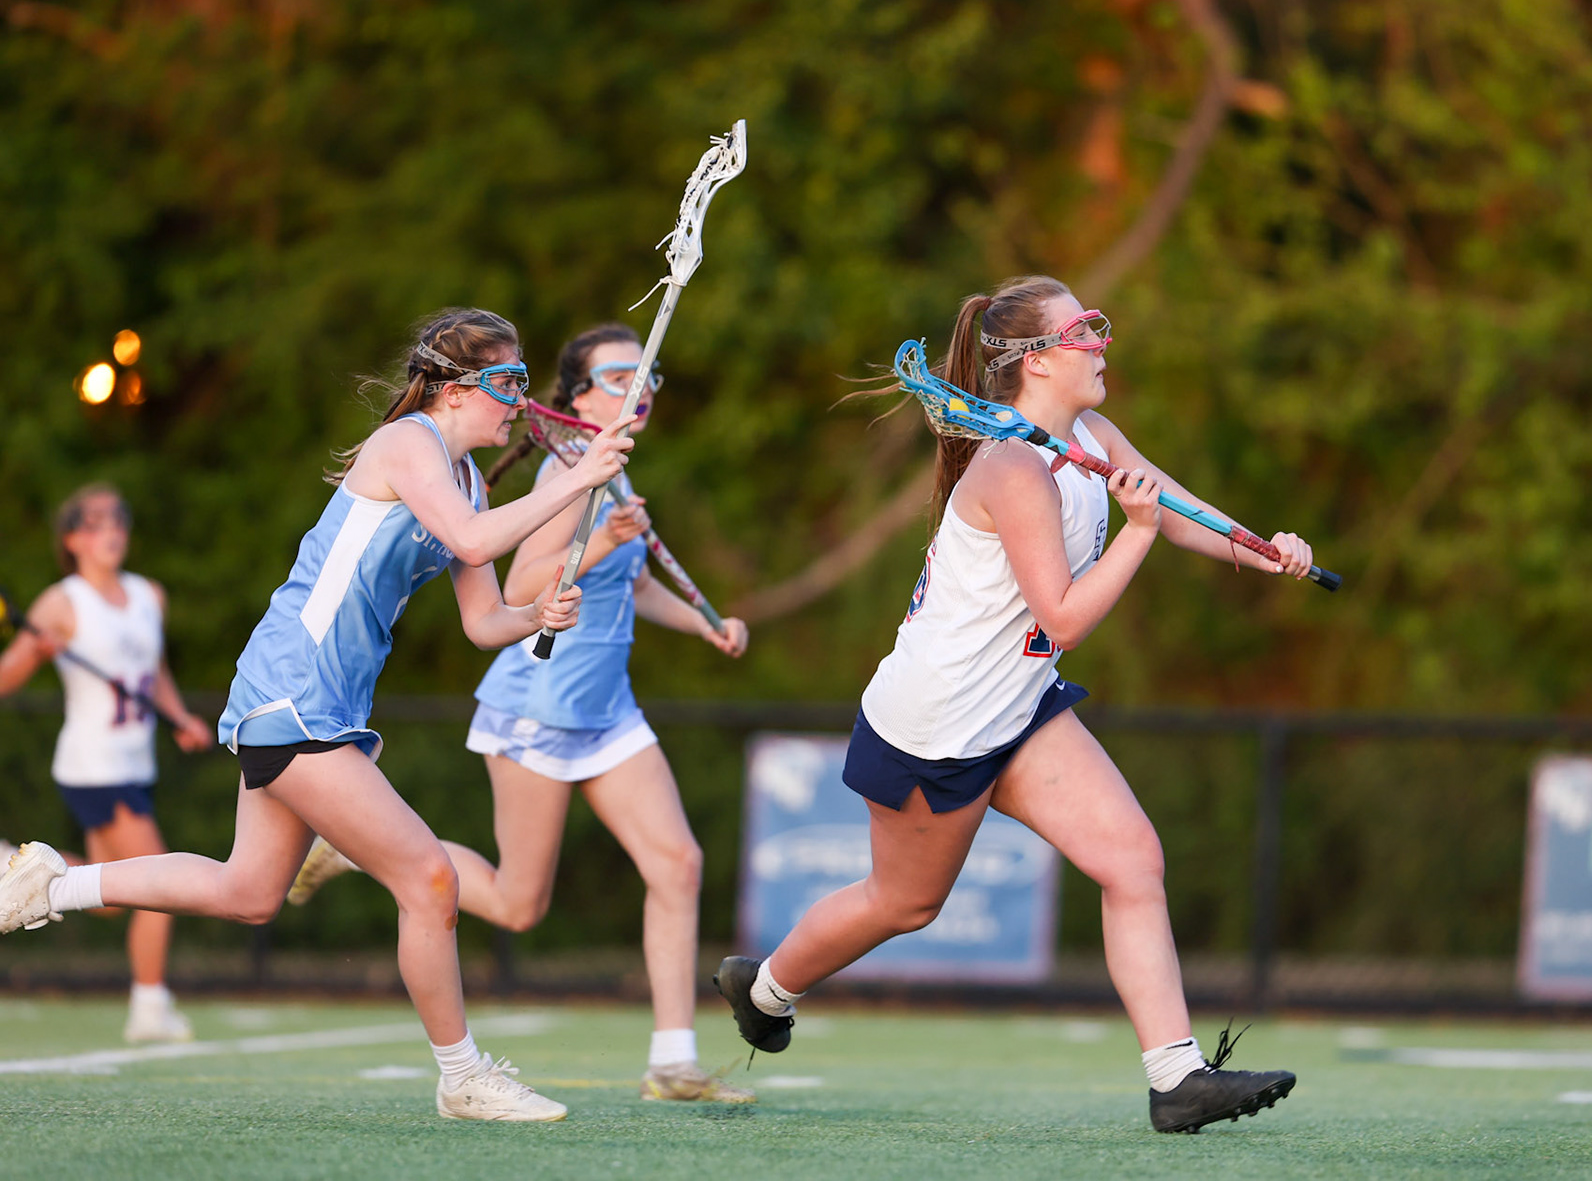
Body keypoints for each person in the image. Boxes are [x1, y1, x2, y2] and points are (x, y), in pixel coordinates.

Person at [712, 276, 1315, 1134]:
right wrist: (1134, 533)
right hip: (939, 721)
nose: (1104, 340)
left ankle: (1175, 1079)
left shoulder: (1094, 437)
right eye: (1085, 330)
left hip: (1018, 707)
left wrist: (1267, 551)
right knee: (904, 904)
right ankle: (763, 988)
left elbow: (1180, 513)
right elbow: (1065, 613)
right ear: (1035, 360)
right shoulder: (1010, 467)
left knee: (1133, 860)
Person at [0, 308, 633, 1122]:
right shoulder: (408, 444)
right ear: (451, 390)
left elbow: (482, 621)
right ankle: (462, 1074)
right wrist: (579, 481)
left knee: (249, 892)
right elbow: (474, 543)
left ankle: (56, 881)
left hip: (322, 702)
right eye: (506, 381)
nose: (519, 398)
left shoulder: (468, 480)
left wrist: (537, 615)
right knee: (429, 879)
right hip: (293, 691)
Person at [290, 323, 754, 1104]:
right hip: (538, 706)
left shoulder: (614, 476)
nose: (637, 390)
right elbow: (524, 580)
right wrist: (601, 535)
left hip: (609, 712)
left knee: (678, 864)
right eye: (616, 376)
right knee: (517, 904)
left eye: (648, 376)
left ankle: (673, 1062)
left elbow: (633, 588)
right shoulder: (562, 474)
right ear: (573, 397)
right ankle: (354, 847)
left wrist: (703, 623)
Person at [0, 484, 213, 1043]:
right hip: (93, 766)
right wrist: (34, 651)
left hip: (134, 762)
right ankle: (149, 1008)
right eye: (95, 523)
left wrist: (180, 716)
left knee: (109, 900)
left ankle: (9, 865)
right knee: (160, 883)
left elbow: (154, 670)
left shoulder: (149, 594)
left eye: (118, 519)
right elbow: (8, 676)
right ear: (72, 540)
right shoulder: (61, 602)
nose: (112, 530)